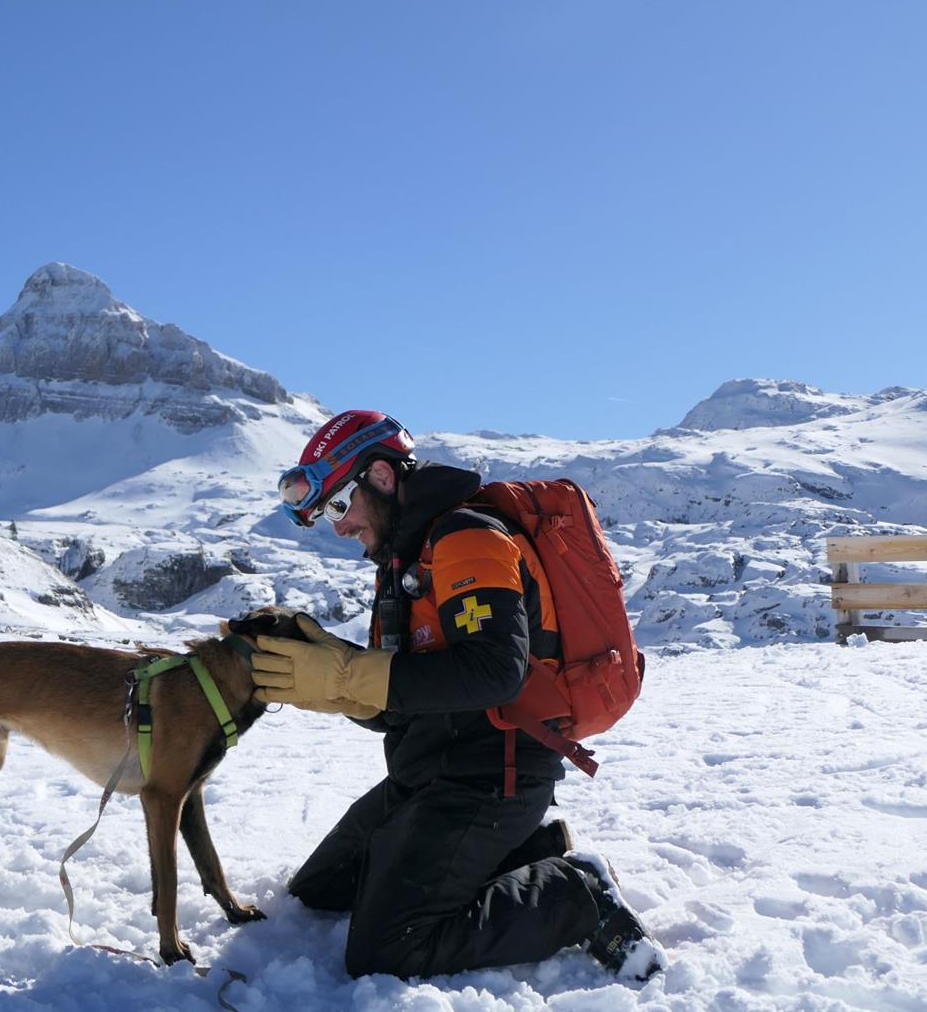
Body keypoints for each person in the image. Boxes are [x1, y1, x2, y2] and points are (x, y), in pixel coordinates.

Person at [251, 410, 662, 981]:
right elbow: (403, 697)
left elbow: (495, 672)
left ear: (383, 477)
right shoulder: (402, 561)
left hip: (492, 776)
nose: (338, 527)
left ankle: (577, 896)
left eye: (340, 506)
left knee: (386, 949)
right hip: (426, 769)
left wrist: (349, 675)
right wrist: (326, 680)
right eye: (326, 516)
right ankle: (526, 852)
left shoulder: (467, 538)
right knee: (320, 891)